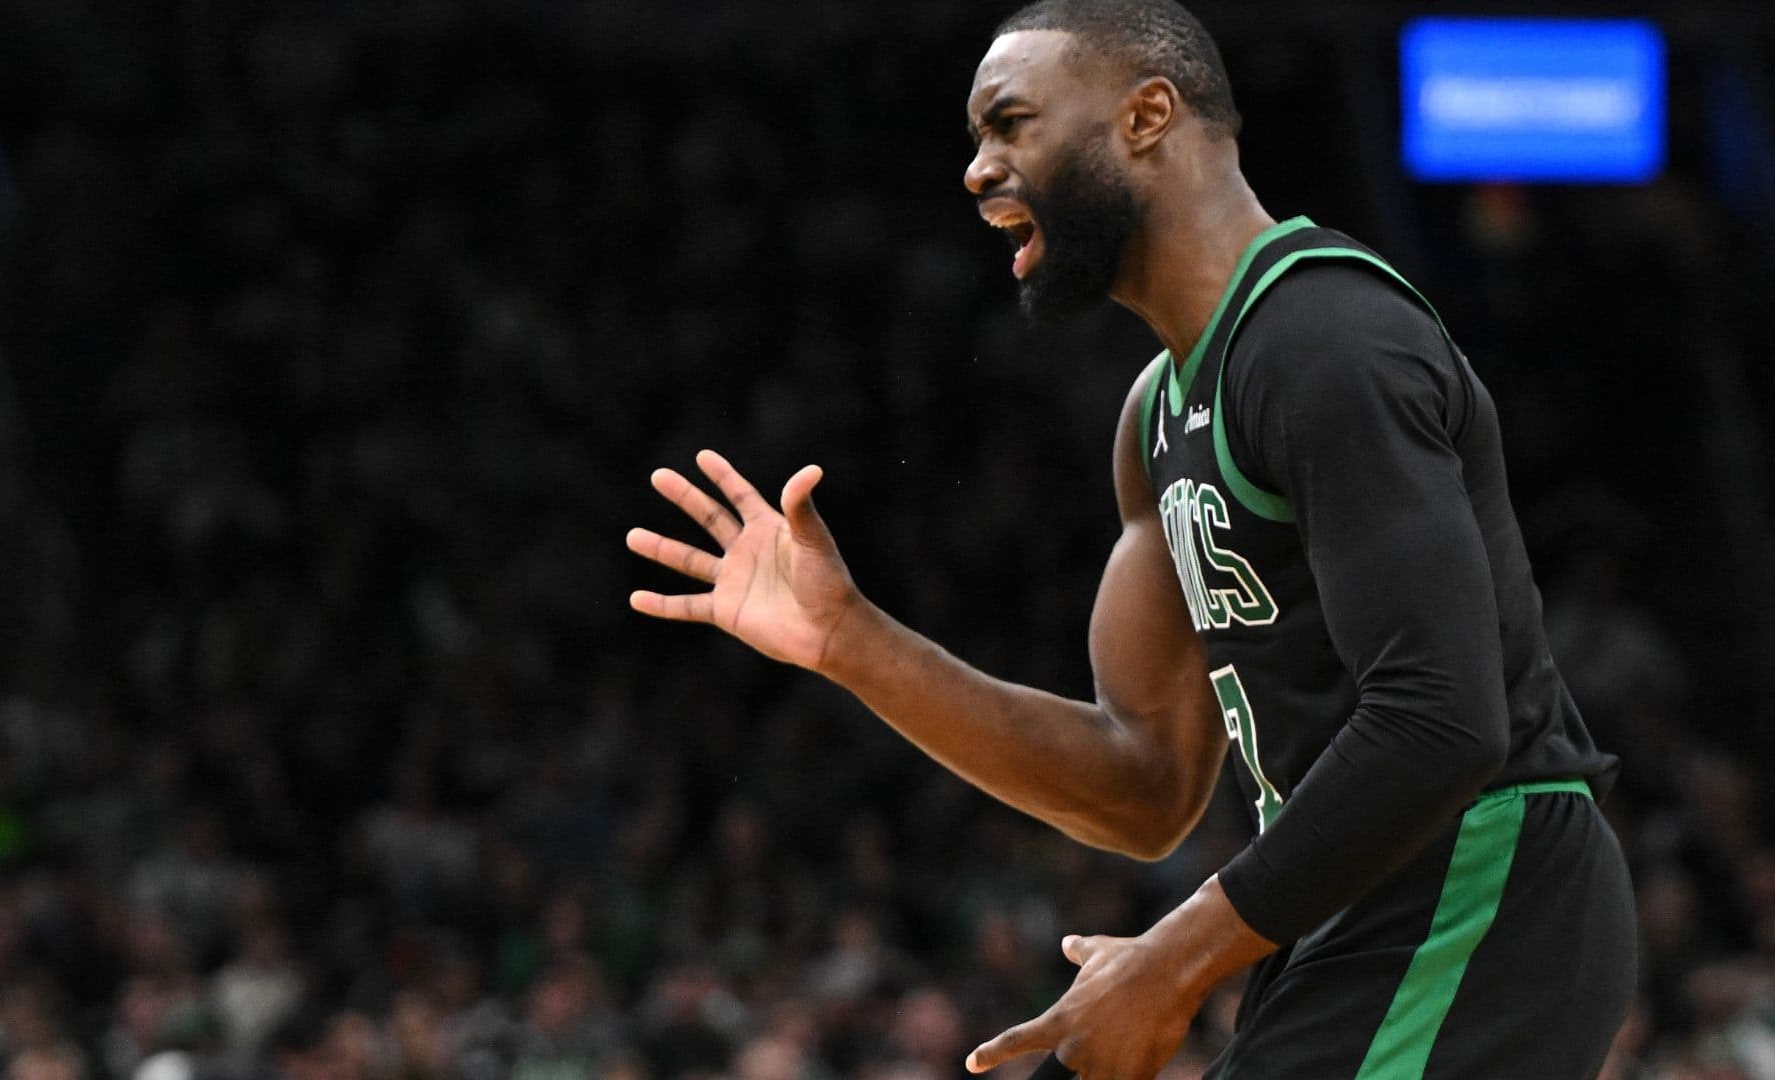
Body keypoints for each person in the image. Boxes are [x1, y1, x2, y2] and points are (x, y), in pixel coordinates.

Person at [625, 0, 1638, 1075]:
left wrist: (1171, 959)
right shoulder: (1154, 420)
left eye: (1009, 124)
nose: (977, 170)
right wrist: (850, 641)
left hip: (1481, 890)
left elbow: (1445, 721)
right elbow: (1144, 785)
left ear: (1148, 115)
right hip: (1352, 907)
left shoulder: (1326, 342)